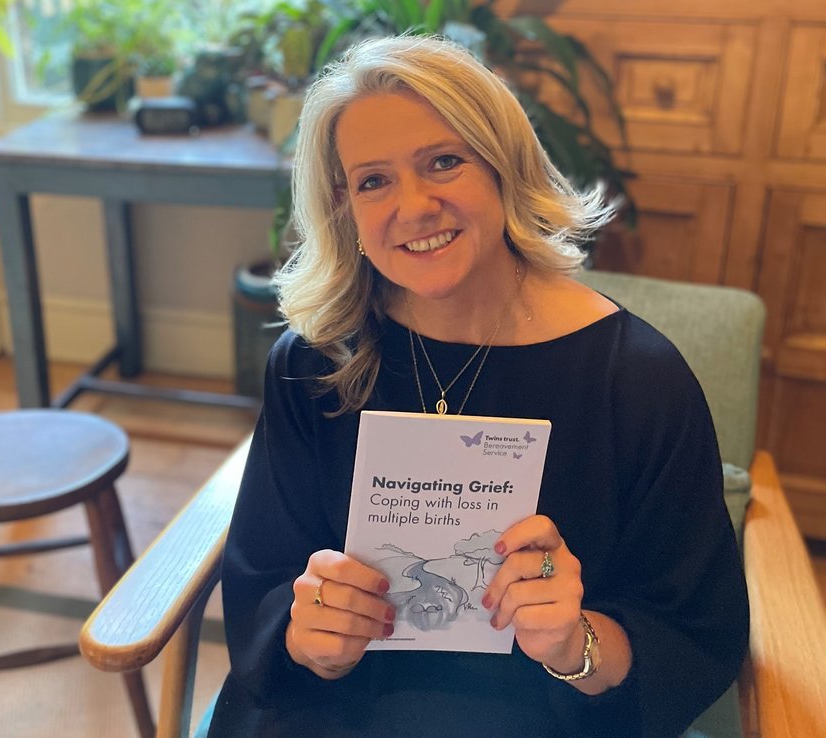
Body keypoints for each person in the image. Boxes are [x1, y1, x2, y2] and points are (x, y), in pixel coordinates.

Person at [208, 34, 748, 737]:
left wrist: (575, 643)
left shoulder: (638, 379)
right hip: (331, 709)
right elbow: (263, 579)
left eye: (443, 161)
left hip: (537, 714)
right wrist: (309, 635)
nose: (414, 205)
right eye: (373, 180)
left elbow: (693, 630)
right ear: (345, 206)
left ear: (502, 164)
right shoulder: (313, 362)